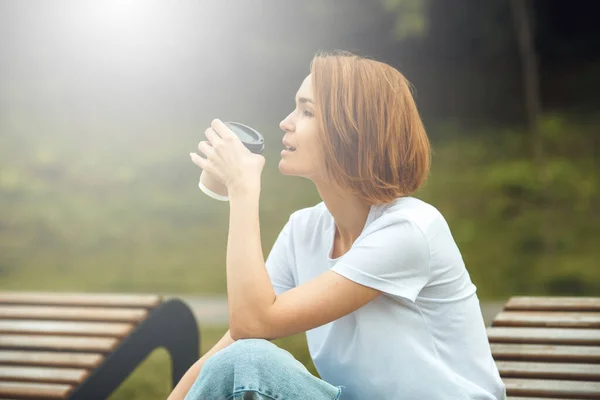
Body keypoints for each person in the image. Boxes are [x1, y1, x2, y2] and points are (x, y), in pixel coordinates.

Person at [170, 50, 506, 400]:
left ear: (353, 129)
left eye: (307, 111)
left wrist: (242, 190)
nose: (286, 121)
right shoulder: (303, 231)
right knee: (240, 358)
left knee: (252, 362)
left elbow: (252, 324)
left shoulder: (410, 230)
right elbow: (235, 341)